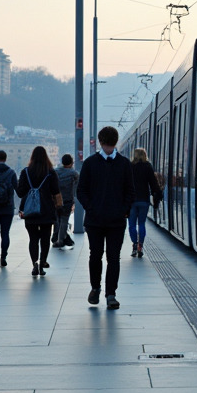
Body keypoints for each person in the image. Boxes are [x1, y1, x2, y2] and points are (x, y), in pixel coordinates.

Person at [77, 126, 134, 309]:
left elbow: (130, 191)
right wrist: (91, 207)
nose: (109, 148)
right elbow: (81, 190)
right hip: (95, 220)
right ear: (101, 143)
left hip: (116, 221)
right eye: (107, 145)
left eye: (111, 145)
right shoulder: (90, 163)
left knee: (113, 257)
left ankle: (111, 294)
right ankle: (95, 288)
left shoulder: (124, 164)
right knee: (95, 255)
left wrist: (123, 210)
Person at [16, 146, 62, 276]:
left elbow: (20, 193)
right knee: (45, 238)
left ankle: (34, 264)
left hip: (30, 211)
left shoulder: (25, 172)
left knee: (33, 239)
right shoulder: (50, 172)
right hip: (47, 210)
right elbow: (55, 191)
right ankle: (42, 263)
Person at [128, 147, 163, 257]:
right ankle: (140, 245)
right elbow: (153, 183)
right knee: (142, 223)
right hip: (144, 200)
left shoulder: (130, 166)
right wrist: (157, 193)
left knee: (132, 225)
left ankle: (134, 244)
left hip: (132, 200)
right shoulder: (148, 166)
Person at [52, 153, 78, 249]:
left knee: (57, 219)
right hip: (67, 200)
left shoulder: (55, 172)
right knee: (64, 220)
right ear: (71, 163)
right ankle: (61, 240)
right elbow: (77, 185)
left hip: (56, 199)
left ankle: (57, 237)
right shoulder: (73, 173)